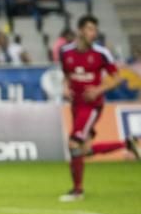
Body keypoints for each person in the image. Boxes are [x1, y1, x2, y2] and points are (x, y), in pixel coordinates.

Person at [57, 15, 138, 201]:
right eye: (90, 29)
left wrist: (98, 90)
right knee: (84, 150)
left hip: (92, 105)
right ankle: (126, 144)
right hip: (76, 105)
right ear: (80, 31)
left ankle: (77, 191)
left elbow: (118, 78)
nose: (94, 33)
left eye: (95, 29)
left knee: (73, 143)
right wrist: (64, 87)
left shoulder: (101, 54)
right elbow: (67, 75)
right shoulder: (66, 52)